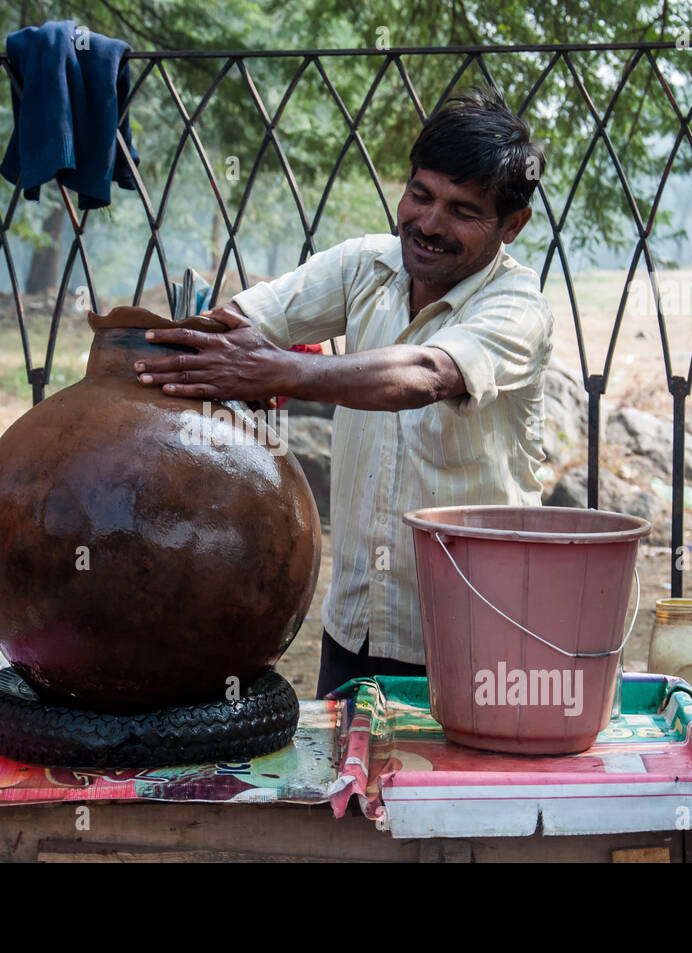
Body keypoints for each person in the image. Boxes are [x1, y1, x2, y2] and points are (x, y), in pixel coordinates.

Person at [134, 86, 553, 698]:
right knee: (350, 789)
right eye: (420, 195)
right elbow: (238, 325)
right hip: (357, 624)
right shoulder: (365, 266)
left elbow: (425, 375)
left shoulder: (518, 307)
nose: (429, 225)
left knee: (453, 792)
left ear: (511, 224)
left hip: (480, 633)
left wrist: (279, 373)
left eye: (464, 212)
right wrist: (167, 354)